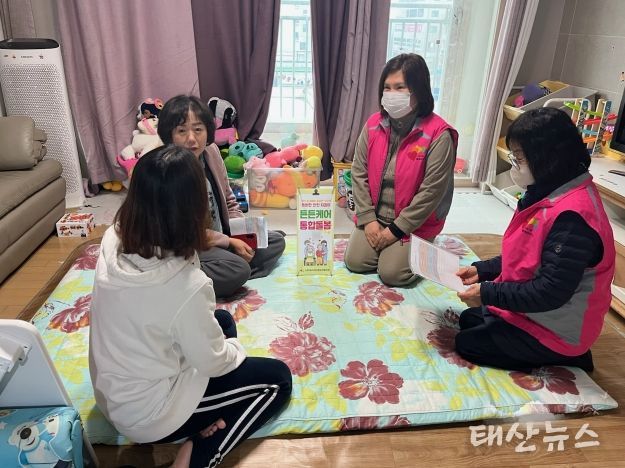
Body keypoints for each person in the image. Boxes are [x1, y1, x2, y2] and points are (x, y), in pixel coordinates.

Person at [89, 146, 292, 468]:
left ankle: (207, 415)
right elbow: (215, 363)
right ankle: (199, 452)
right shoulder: (185, 285)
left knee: (222, 319)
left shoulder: (114, 238)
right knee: (277, 379)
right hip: (150, 415)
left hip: (113, 392)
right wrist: (234, 349)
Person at [455, 107, 615, 372]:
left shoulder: (573, 219)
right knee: (467, 320)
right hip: (536, 314)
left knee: (467, 344)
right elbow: (526, 254)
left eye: (519, 158)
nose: (514, 165)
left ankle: (570, 357)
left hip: (556, 328)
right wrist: (482, 270)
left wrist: (488, 292)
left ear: (548, 157)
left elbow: (549, 292)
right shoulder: (548, 191)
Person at [344, 53, 458, 286]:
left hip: (416, 223)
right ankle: (393, 248)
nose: (391, 94)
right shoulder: (373, 124)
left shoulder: (439, 134)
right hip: (376, 216)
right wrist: (368, 220)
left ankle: (426, 249)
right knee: (355, 261)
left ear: (419, 90)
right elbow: (358, 172)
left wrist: (395, 232)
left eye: (400, 87)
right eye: (387, 88)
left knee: (393, 274)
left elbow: (431, 193)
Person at [157, 95, 286, 298]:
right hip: (191, 245)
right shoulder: (168, 169)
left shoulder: (211, 152)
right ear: (169, 135)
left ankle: (230, 269)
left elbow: (229, 199)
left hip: (222, 234)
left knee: (275, 240)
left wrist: (240, 232)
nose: (191, 138)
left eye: (198, 129)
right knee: (237, 269)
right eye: (182, 131)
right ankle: (221, 273)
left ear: (208, 130)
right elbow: (185, 232)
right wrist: (229, 242)